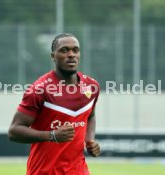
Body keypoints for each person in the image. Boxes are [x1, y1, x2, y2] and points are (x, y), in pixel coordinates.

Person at [8, 33, 101, 175]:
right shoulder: (39, 89)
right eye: (64, 50)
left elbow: (90, 116)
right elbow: (14, 131)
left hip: (78, 170)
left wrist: (90, 140)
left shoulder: (91, 86)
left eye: (75, 50)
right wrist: (52, 135)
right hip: (44, 171)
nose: (71, 55)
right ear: (53, 56)